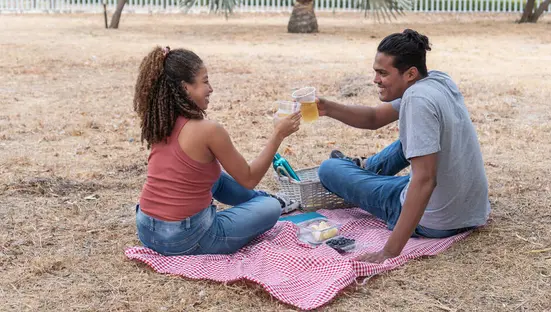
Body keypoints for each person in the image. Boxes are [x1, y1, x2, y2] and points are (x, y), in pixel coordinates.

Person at [317, 29, 490, 263]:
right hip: (467, 210)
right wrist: (328, 108)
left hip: (436, 220)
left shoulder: (417, 101)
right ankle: (368, 167)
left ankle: (361, 168)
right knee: (414, 140)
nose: (375, 80)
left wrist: (389, 251)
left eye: (382, 73)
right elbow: (374, 119)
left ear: (410, 73)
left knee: (330, 169)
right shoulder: (438, 80)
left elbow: (425, 180)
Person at [133, 46, 301, 256]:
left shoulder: (161, 122)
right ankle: (268, 200)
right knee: (270, 207)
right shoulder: (209, 130)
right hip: (186, 239)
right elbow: (249, 178)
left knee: (215, 177)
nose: (210, 88)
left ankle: (259, 199)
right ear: (185, 88)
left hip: (147, 229)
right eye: (205, 81)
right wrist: (278, 134)